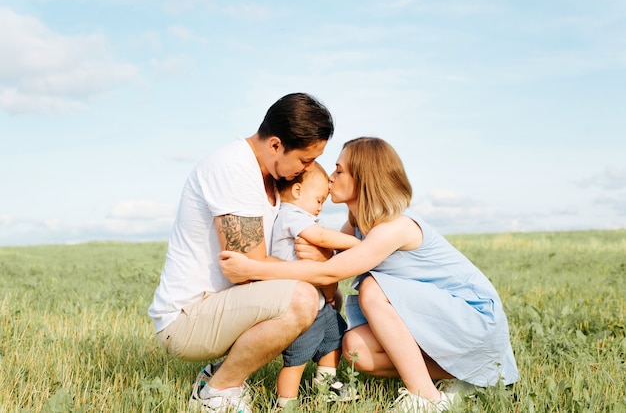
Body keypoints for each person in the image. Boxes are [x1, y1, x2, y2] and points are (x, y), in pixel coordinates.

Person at [218, 137, 520, 413]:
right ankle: (465, 375)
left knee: (373, 289)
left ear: (362, 179)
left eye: (339, 171)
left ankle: (427, 398)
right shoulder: (356, 225)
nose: (330, 177)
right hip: (441, 321)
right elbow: (330, 271)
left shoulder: (395, 228)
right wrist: (325, 260)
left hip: (474, 320)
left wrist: (254, 268)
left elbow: (332, 270)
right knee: (354, 349)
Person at [147, 93, 335, 413]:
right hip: (187, 318)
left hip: (222, 307)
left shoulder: (274, 177)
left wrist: (319, 260)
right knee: (302, 298)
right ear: (275, 145)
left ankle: (214, 378)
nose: (308, 169)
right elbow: (249, 271)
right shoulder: (234, 168)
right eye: (305, 160)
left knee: (305, 295)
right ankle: (217, 393)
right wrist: (321, 273)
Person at [271, 161, 361, 409]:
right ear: (298, 191)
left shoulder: (302, 216)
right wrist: (361, 245)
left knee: (334, 338)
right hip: (300, 307)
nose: (321, 208)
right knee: (297, 358)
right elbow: (321, 237)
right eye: (319, 200)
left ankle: (326, 384)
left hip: (319, 304)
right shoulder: (290, 215)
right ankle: (285, 402)